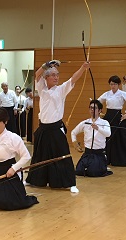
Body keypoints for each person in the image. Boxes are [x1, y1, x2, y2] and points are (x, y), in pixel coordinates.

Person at [25, 60, 90, 193]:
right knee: (39, 156)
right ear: (46, 77)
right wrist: (46, 65)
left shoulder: (61, 90)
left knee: (63, 155)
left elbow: (73, 79)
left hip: (56, 129)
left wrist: (83, 68)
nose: (56, 77)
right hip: (43, 128)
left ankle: (69, 183)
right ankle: (34, 180)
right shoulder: (42, 88)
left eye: (57, 75)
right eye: (53, 75)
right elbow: (37, 75)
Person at [0, 107, 38, 210]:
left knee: (5, 202)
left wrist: (14, 169)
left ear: (5, 122)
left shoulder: (13, 137)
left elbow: (26, 156)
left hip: (8, 170)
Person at [98, 75, 126, 168]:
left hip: (118, 116)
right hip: (108, 116)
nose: (113, 86)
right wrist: (99, 111)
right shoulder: (107, 94)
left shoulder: (122, 93)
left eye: (115, 84)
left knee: (124, 138)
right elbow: (97, 102)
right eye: (111, 84)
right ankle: (105, 159)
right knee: (107, 138)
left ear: (119, 84)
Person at [71, 100, 113, 177]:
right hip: (87, 153)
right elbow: (73, 132)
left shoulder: (104, 123)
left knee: (93, 172)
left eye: (95, 108)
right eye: (90, 108)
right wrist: (75, 143)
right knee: (79, 171)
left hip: (98, 154)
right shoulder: (85, 122)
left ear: (100, 110)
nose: (92, 110)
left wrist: (98, 128)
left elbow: (108, 134)